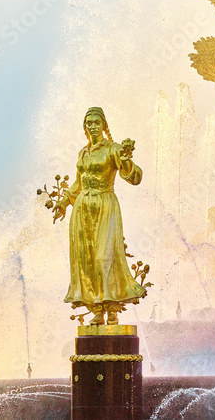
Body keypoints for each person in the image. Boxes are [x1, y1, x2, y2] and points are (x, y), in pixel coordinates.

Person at [53, 107, 146, 325]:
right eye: (89, 123)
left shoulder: (114, 149)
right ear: (85, 127)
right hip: (82, 209)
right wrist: (64, 202)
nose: (93, 126)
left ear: (104, 125)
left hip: (105, 205)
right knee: (86, 261)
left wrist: (126, 160)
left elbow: (134, 178)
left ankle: (112, 307)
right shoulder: (82, 153)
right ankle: (97, 309)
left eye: (96, 122)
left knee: (105, 257)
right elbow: (78, 183)